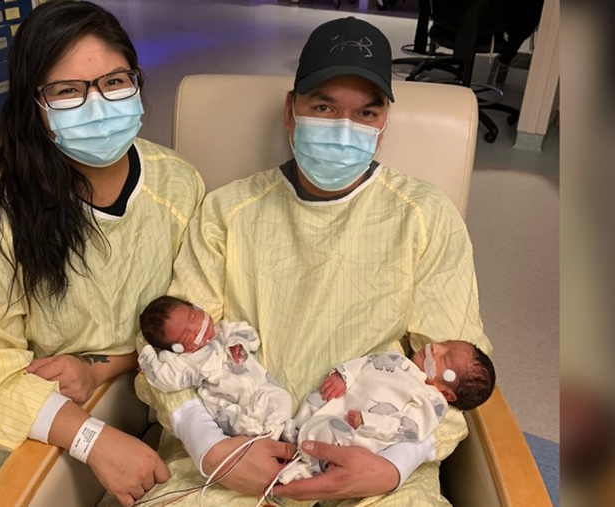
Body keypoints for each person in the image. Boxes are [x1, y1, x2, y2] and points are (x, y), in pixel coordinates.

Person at [115, 15, 492, 507]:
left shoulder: (426, 218)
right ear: (290, 112)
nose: (344, 128)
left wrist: (395, 465)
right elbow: (171, 348)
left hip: (372, 456)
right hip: (235, 450)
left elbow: (457, 373)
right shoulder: (227, 213)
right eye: (324, 106)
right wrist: (209, 445)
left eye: (366, 113)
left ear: (383, 126)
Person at [0, 2, 204, 506]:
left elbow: (194, 311)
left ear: (136, 81)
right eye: (67, 91)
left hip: (139, 389)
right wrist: (91, 437)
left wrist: (102, 368)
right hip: (29, 418)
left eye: (114, 82)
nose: (98, 104)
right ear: (34, 104)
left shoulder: (178, 183)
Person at [278, 341, 495, 483]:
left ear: (447, 393)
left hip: (356, 429)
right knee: (316, 400)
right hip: (340, 402)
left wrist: (369, 421)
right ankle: (292, 432)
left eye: (444, 358)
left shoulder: (432, 402)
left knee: (332, 434)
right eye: (445, 343)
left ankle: (303, 466)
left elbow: (408, 427)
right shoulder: (398, 360)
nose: (436, 348)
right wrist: (344, 376)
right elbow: (367, 362)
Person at [137, 296, 294, 441]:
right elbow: (165, 379)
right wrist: (147, 356)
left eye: (194, 317)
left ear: (197, 307)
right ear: (177, 348)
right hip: (224, 398)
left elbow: (252, 335)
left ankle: (278, 430)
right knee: (233, 419)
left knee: (283, 399)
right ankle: (261, 434)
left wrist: (238, 342)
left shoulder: (225, 330)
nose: (197, 328)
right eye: (186, 335)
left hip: (260, 387)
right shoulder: (185, 362)